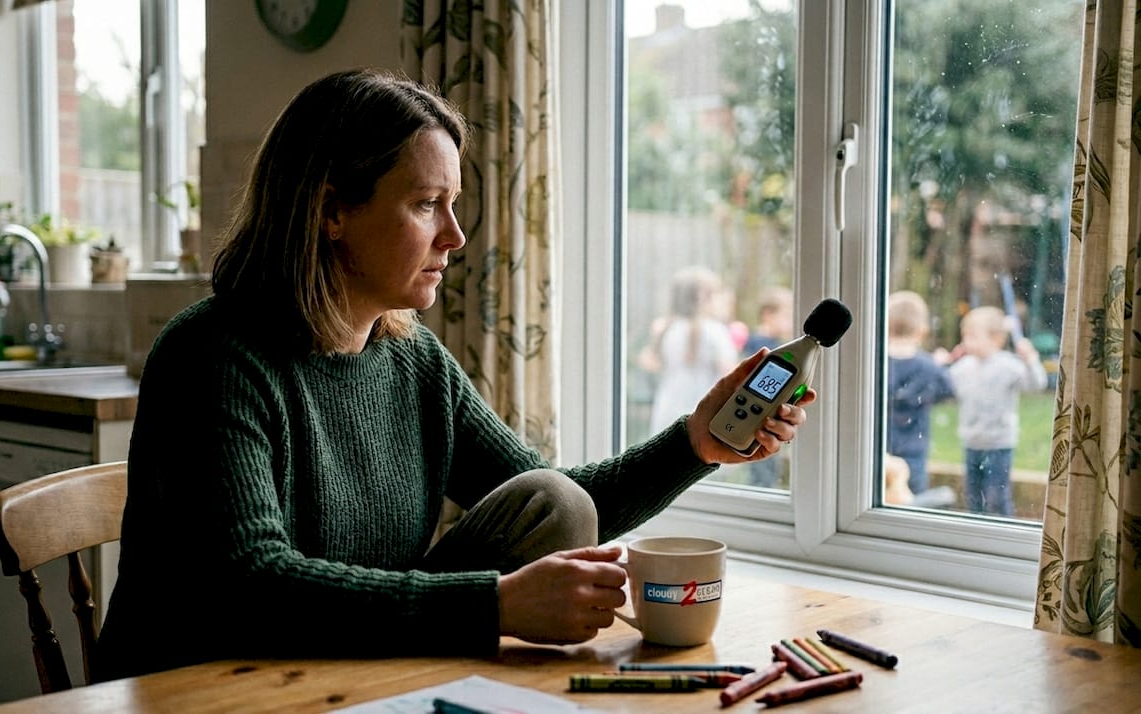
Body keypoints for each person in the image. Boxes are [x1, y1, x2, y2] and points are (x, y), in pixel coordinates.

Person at [94, 68, 813, 681]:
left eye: (453, 204)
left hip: (346, 673)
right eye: (425, 204)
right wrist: (496, 606)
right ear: (332, 210)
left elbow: (558, 505)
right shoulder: (214, 356)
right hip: (202, 682)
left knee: (554, 504)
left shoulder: (413, 360)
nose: (455, 236)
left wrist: (694, 443)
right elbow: (251, 586)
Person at [946, 305, 1045, 516]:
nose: (966, 341)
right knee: (973, 496)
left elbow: (1036, 385)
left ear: (997, 339)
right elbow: (944, 386)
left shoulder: (1008, 366)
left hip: (999, 444)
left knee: (997, 497)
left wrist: (1031, 360)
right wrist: (945, 362)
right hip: (971, 442)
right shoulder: (963, 367)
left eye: (972, 336)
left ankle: (1003, 530)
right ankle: (976, 533)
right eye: (965, 336)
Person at [638, 266, 739, 437]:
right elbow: (731, 373)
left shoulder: (664, 328)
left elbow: (649, 362)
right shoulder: (715, 331)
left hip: (667, 410)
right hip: (704, 412)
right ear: (703, 298)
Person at [885, 290, 954, 497]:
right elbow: (948, 390)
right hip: (914, 449)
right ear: (921, 331)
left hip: (880, 449)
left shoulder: (876, 362)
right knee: (912, 501)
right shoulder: (927, 366)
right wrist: (940, 366)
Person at [742, 287, 793, 488]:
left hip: (767, 420)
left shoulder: (775, 344)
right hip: (756, 421)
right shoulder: (759, 346)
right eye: (787, 314)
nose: (791, 320)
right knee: (762, 474)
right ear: (768, 315)